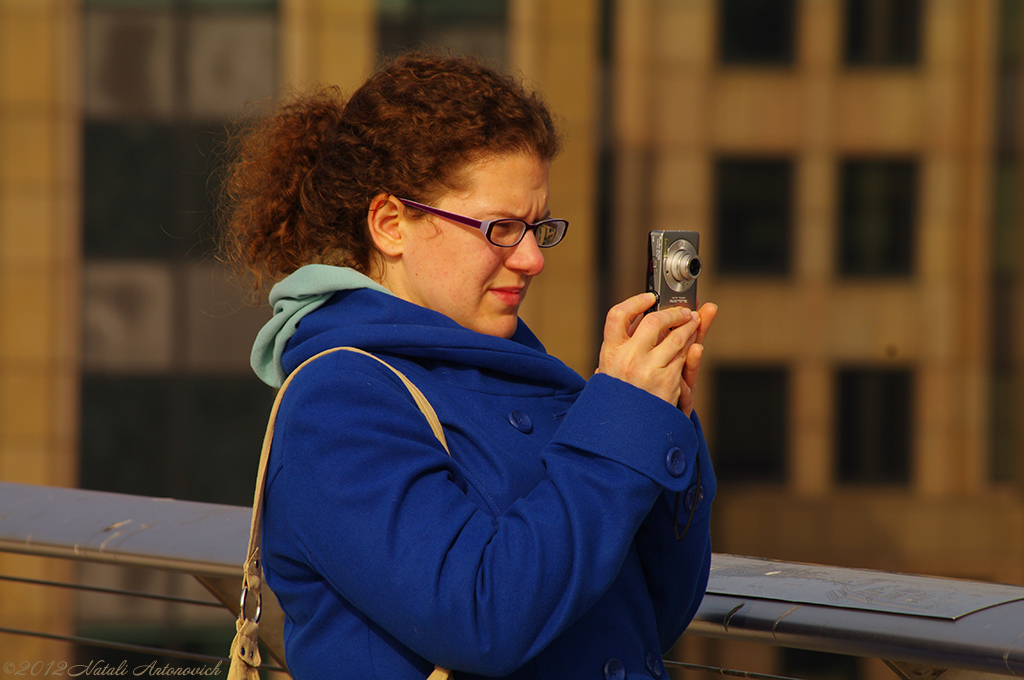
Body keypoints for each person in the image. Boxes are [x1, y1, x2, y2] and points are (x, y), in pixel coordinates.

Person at [220, 52, 718, 680]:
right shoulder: (339, 400)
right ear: (391, 224)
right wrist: (619, 423)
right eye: (501, 228)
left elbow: (648, 615)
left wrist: (657, 420)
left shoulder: (529, 372)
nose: (532, 259)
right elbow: (483, 618)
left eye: (539, 228)